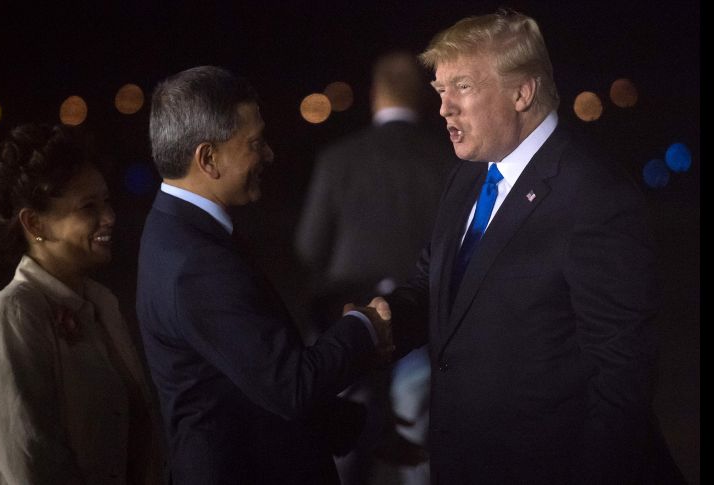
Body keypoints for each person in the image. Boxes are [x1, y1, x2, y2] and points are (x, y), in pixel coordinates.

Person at [368, 9, 683, 484]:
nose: (444, 108)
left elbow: (622, 383)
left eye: (463, 88)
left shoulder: (594, 196)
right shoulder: (467, 176)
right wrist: (377, 322)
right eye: (439, 91)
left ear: (522, 91)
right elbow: (434, 290)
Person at [136, 65, 393, 485]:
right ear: (208, 158)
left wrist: (360, 430)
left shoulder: (177, 228)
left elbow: (250, 374)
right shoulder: (196, 261)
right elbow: (289, 385)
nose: (269, 154)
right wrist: (364, 326)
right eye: (254, 143)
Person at [0, 123, 166, 484]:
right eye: (88, 207)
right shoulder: (14, 316)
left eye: (106, 201)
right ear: (34, 222)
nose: (109, 217)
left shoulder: (100, 302)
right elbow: (33, 464)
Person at [295, 51, 455, 485]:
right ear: (421, 97)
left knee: (344, 431)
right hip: (421, 314)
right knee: (417, 432)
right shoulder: (447, 160)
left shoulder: (338, 158)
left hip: (349, 314)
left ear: (374, 95)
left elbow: (309, 244)